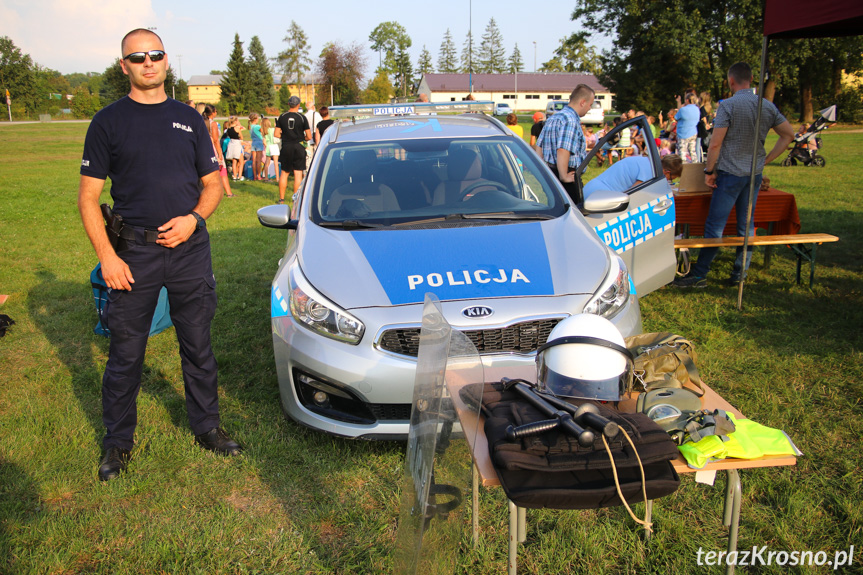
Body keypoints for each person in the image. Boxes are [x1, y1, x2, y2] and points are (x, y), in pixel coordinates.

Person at [78, 28, 243, 482]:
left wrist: (194, 218)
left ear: (166, 60)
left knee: (198, 346)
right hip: (133, 254)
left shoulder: (189, 120)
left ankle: (207, 427)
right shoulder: (107, 122)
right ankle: (117, 443)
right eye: (137, 57)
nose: (147, 63)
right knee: (126, 354)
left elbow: (211, 185)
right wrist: (108, 257)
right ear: (124, 66)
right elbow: (89, 198)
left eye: (155, 54)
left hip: (189, 251)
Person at [674, 62, 795, 288]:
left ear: (731, 81)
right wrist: (766, 159)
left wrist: (709, 171)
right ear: (750, 80)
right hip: (754, 173)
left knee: (715, 226)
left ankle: (700, 274)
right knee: (746, 225)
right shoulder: (766, 105)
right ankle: (740, 273)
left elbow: (716, 143)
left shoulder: (727, 106)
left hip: (730, 173)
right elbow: (788, 135)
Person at [534, 84, 596, 205]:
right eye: (590, 105)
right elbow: (563, 149)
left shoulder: (553, 118)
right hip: (566, 176)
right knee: (574, 214)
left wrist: (543, 171)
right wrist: (564, 176)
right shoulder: (570, 120)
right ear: (582, 102)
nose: (589, 108)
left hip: (551, 173)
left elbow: (539, 146)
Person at [583, 154, 682, 201]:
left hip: (594, 189)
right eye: (670, 178)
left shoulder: (647, 161)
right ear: (667, 172)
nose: (668, 180)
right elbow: (633, 193)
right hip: (599, 196)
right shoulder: (650, 171)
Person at [275, 95, 311, 204]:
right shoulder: (302, 117)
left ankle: (281, 199)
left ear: (288, 104)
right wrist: (301, 138)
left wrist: (286, 136)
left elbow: (276, 134)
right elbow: (309, 136)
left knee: (284, 173)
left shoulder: (282, 116)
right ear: (299, 105)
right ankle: (295, 199)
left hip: (286, 146)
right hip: (298, 146)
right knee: (298, 173)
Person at [202, 104, 234, 197]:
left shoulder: (201, 121)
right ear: (212, 113)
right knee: (222, 170)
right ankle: (228, 192)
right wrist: (220, 154)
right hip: (213, 148)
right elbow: (216, 140)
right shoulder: (213, 124)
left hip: (204, 148)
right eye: (216, 111)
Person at [676, 93, 701, 163]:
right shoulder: (697, 109)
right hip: (693, 132)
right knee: (693, 152)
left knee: (682, 153)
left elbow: (676, 117)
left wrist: (678, 102)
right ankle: (696, 167)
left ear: (687, 100)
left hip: (683, 133)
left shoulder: (683, 110)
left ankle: (684, 170)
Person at [262, 117, 280, 181]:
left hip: (268, 146)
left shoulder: (264, 131)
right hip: (274, 146)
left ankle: (266, 177)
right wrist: (277, 126)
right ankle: (277, 178)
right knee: (275, 163)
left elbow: (264, 141)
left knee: (267, 163)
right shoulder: (272, 129)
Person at [249, 112, 264, 181]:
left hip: (253, 143)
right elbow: (262, 131)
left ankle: (254, 176)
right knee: (259, 160)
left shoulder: (250, 126)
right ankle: (259, 175)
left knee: (254, 160)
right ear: (255, 119)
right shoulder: (258, 127)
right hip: (259, 143)